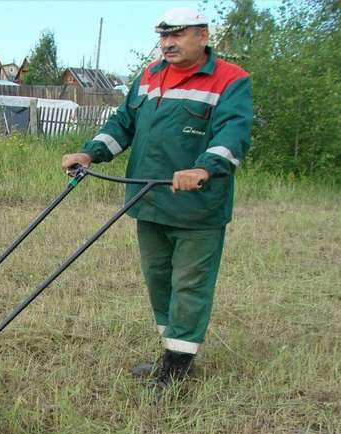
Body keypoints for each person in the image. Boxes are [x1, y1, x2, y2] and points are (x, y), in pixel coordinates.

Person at [61, 7, 253, 391]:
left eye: (178, 35)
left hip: (197, 207)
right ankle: (172, 355)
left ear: (203, 35)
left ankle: (178, 370)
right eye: (164, 36)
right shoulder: (149, 77)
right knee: (160, 281)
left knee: (190, 285)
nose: (168, 43)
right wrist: (90, 152)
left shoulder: (230, 80)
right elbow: (123, 124)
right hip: (148, 201)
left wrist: (204, 168)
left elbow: (233, 133)